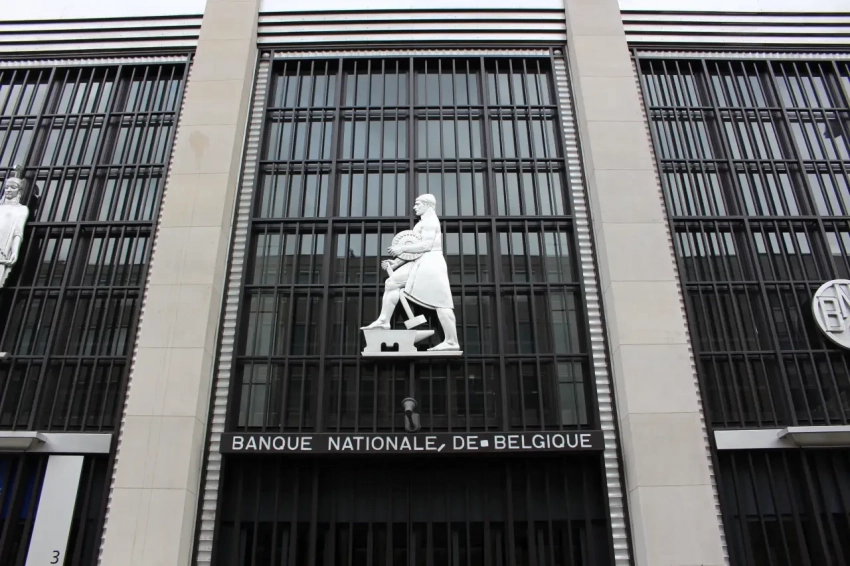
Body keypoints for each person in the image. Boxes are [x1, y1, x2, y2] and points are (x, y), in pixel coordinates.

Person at [361, 193, 459, 351]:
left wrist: (402, 248)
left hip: (431, 264)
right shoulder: (423, 222)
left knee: (442, 304)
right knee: (392, 283)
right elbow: (416, 252)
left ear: (427, 205)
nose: (415, 207)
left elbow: (426, 246)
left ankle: (451, 342)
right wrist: (396, 262)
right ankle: (384, 321)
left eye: (418, 204)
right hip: (422, 262)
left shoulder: (430, 222)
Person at [0, 170, 28, 289]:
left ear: (19, 191)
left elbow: (18, 232)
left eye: (13, 187)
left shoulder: (21, 209)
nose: (9, 190)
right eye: (6, 187)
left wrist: (14, 251)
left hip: (2, 247)